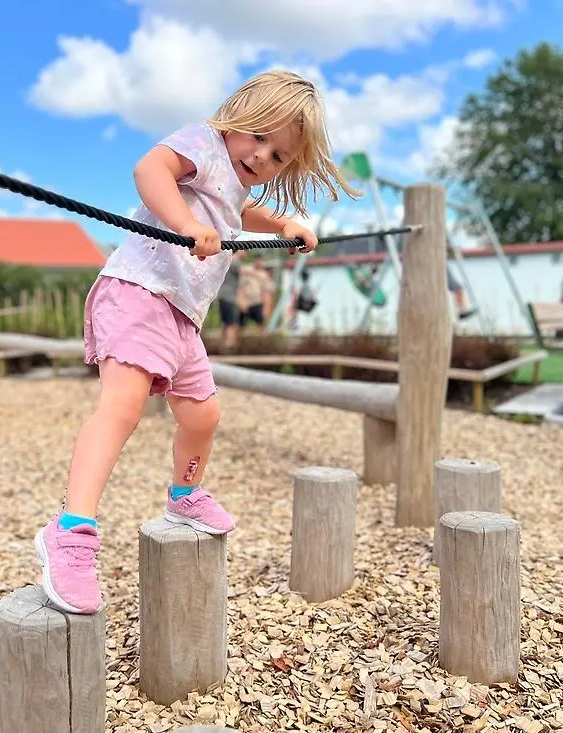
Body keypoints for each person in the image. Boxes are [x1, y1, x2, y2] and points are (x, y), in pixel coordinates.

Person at [33, 69, 358, 615]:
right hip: (138, 291)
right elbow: (150, 168)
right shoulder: (202, 142)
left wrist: (281, 225)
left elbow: (236, 211)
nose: (260, 158)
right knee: (122, 406)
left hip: (182, 315)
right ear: (237, 116)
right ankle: (71, 531)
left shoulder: (234, 180)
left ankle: (184, 496)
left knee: (203, 415)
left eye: (278, 157)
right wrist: (183, 222)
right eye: (258, 136)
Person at [237, 252, 275, 328]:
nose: (258, 262)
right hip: (247, 303)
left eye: (260, 260)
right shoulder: (247, 271)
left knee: (261, 325)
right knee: (238, 326)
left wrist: (266, 308)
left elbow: (268, 293)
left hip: (258, 303)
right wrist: (241, 302)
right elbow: (241, 289)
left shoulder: (265, 275)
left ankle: (262, 339)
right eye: (257, 259)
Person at [215, 259, 242, 350]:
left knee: (225, 322)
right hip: (229, 297)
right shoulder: (234, 261)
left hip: (222, 296)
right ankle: (229, 345)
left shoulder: (225, 260)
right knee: (231, 322)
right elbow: (245, 271)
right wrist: (261, 276)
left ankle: (223, 345)